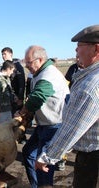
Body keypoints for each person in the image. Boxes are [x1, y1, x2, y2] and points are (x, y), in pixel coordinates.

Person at [35, 25, 99, 188]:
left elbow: (72, 128)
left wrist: (48, 156)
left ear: (96, 49)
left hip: (93, 159)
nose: (76, 51)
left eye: (80, 46)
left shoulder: (91, 85)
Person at [15, 45, 69, 187]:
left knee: (43, 165)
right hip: (44, 124)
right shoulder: (39, 73)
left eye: (29, 62)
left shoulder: (48, 75)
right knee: (28, 152)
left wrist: (21, 113)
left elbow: (37, 97)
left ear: (39, 60)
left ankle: (42, 184)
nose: (26, 66)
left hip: (54, 126)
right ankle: (36, 185)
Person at [1, 47, 25, 113]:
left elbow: (21, 83)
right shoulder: (4, 66)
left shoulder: (17, 66)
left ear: (11, 54)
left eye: (5, 54)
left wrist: (20, 98)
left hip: (16, 97)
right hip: (7, 98)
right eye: (2, 54)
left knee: (17, 119)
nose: (3, 56)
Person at [0, 60, 16, 125]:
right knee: (1, 131)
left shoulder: (6, 78)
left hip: (8, 108)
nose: (12, 72)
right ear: (8, 69)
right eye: (12, 70)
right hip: (1, 111)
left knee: (8, 130)